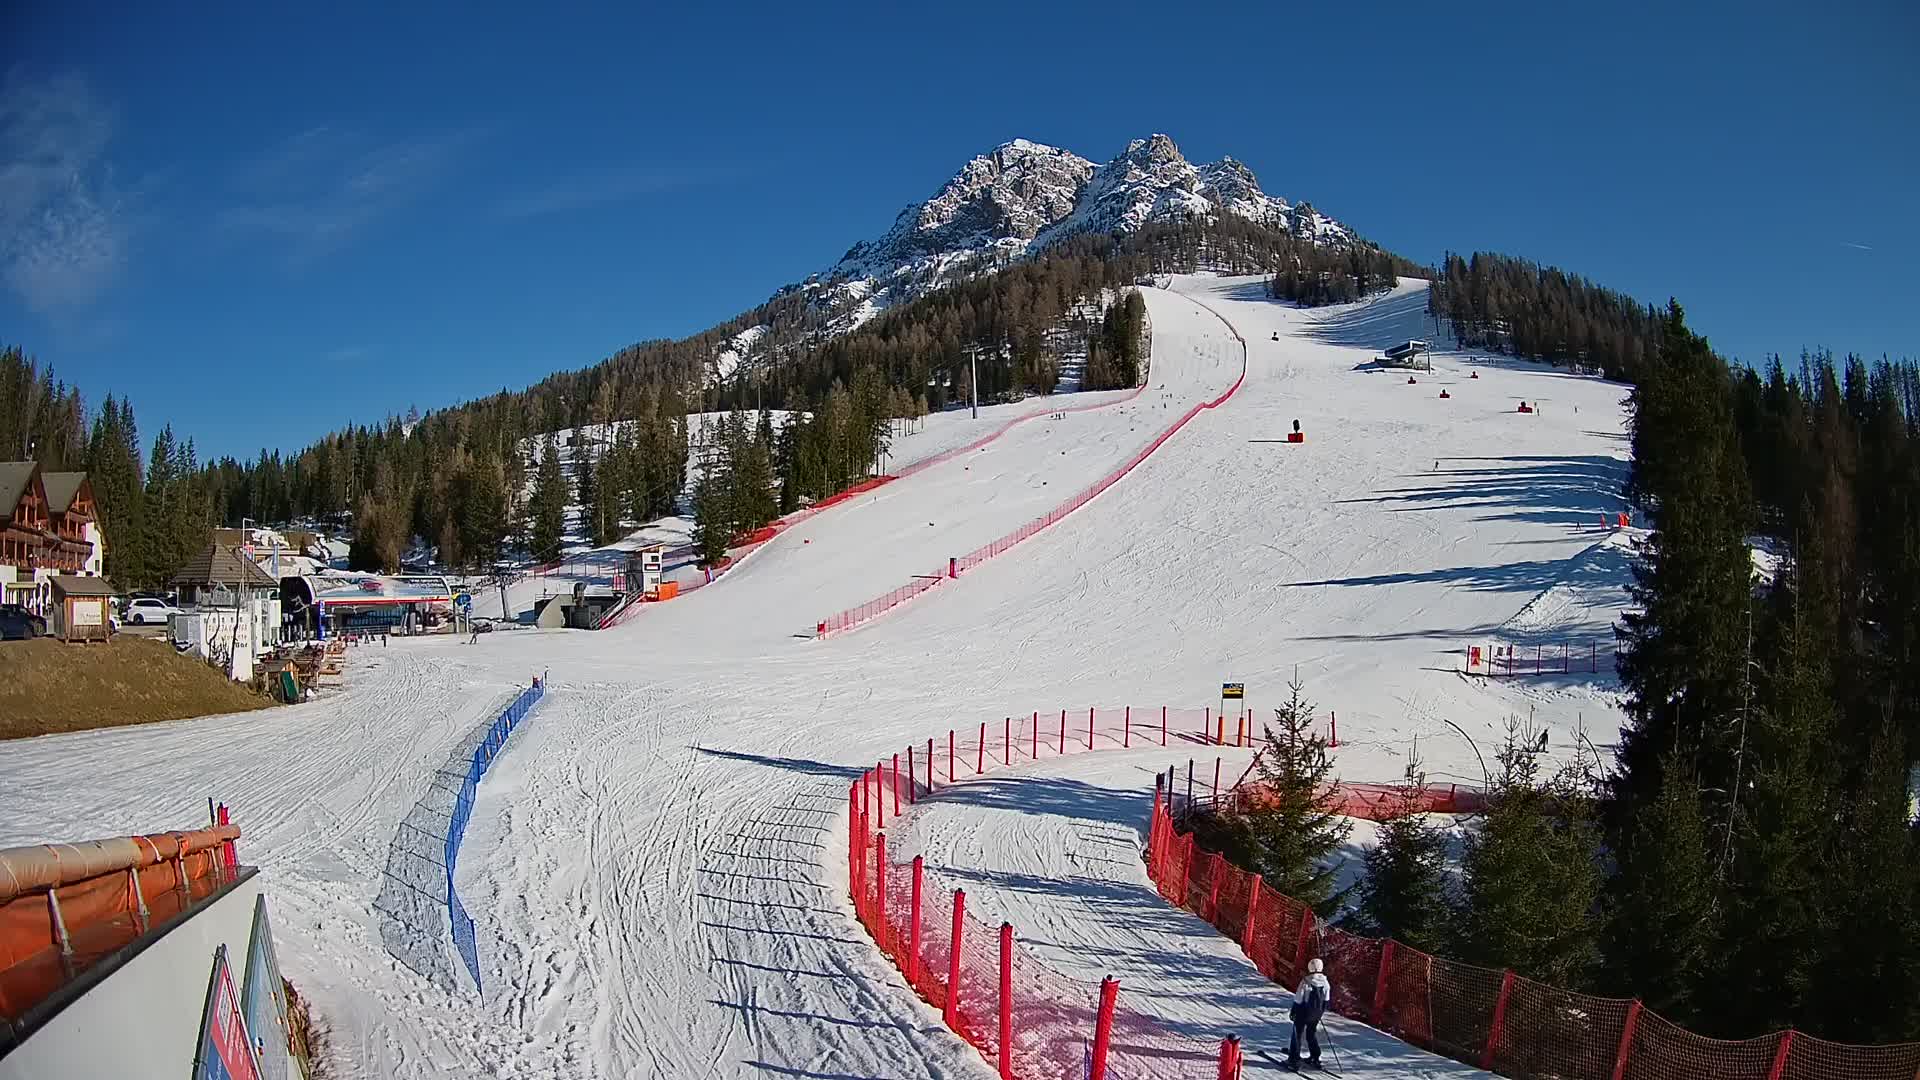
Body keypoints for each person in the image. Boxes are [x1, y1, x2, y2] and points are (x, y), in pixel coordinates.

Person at [1287, 957, 1331, 1071]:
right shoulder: (1326, 983)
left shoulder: (1306, 981)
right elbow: (1326, 1000)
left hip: (1303, 1012)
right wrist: (1319, 1013)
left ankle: (1294, 1060)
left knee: (1297, 1034)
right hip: (1316, 1014)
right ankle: (1315, 1056)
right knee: (1311, 1034)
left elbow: (1298, 998)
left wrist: (1293, 1011)